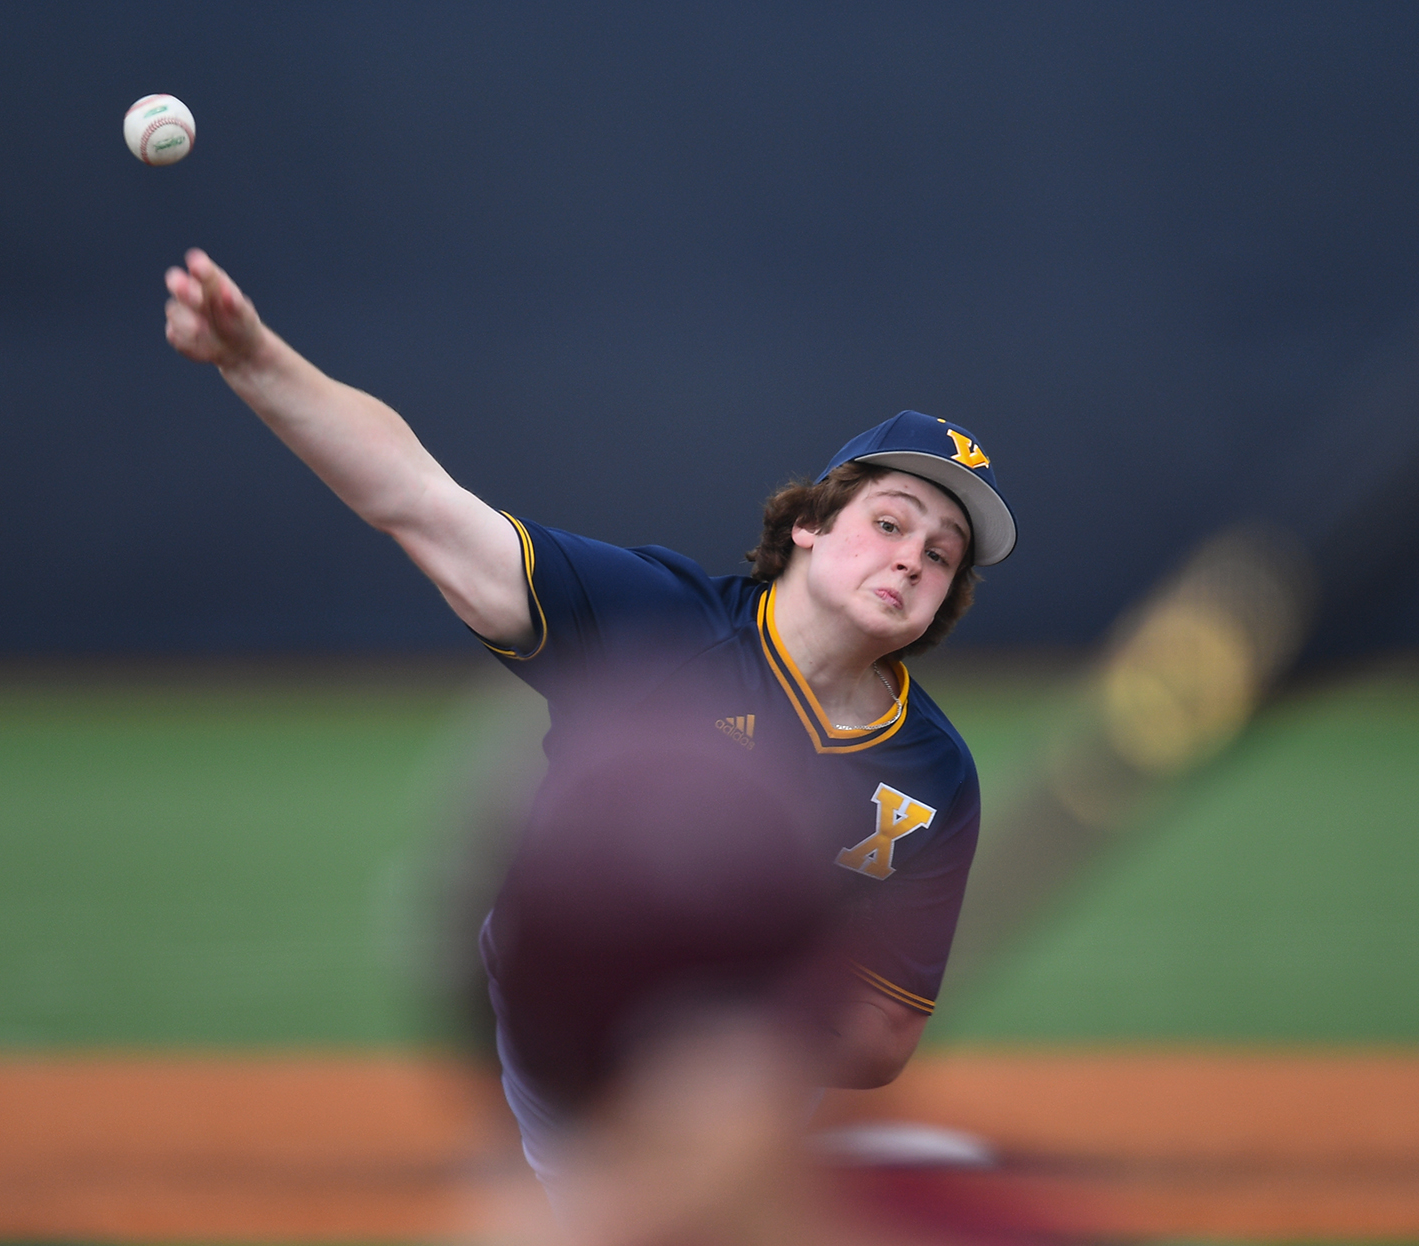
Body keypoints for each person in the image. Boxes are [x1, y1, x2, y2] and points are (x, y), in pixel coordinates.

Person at [161, 247, 1017, 1189]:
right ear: (809, 523)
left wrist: (735, 1028)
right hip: (574, 1015)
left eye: (941, 556)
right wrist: (254, 359)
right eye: (890, 523)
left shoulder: (934, 772)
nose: (911, 560)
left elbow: (889, 1030)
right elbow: (417, 500)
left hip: (756, 1070)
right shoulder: (660, 623)